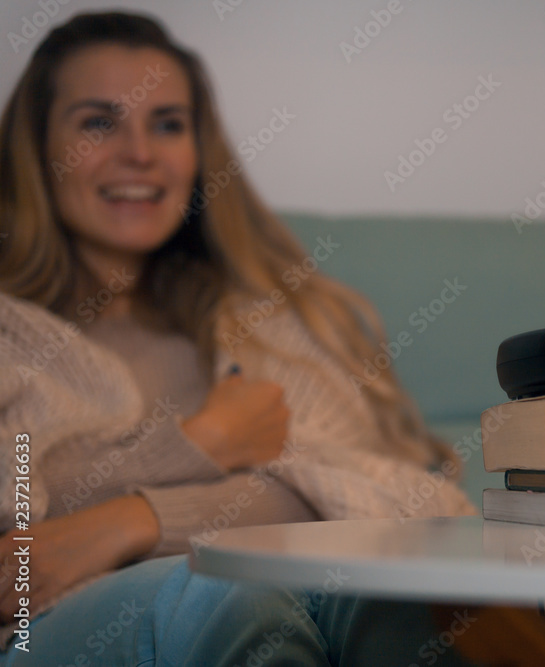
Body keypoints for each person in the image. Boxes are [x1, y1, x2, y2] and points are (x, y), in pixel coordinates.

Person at [0, 11, 479, 665]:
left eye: (168, 123)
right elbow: (19, 551)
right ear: (35, 147)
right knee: (237, 592)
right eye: (98, 121)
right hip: (34, 629)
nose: (139, 151)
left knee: (394, 587)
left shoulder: (271, 329)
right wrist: (199, 446)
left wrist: (128, 521)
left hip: (268, 593)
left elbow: (374, 505)